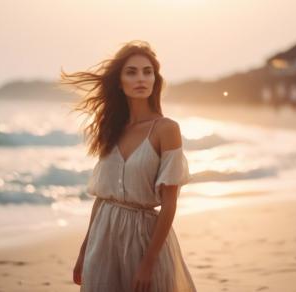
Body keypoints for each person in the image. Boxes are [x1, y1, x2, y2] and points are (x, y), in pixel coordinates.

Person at [60, 40, 196, 292]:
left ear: (156, 79)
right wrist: (84, 250)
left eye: (147, 72)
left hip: (145, 238)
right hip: (103, 236)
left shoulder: (166, 129)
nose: (141, 78)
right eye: (131, 72)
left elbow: (169, 203)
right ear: (119, 82)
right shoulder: (110, 129)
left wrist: (148, 262)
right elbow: (102, 198)